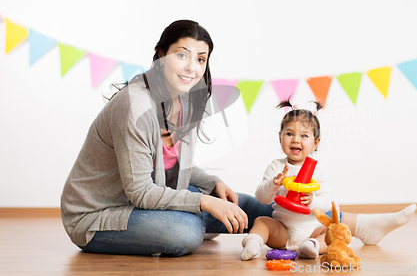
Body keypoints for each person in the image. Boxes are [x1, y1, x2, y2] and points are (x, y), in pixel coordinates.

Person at [60, 20, 273, 256]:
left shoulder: (183, 98)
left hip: (150, 202)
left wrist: (212, 184)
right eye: (182, 55)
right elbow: (140, 191)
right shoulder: (136, 107)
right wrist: (204, 202)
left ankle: (309, 223)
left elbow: (171, 164)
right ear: (161, 54)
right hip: (99, 215)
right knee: (185, 232)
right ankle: (194, 221)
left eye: (201, 59)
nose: (192, 68)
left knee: (250, 206)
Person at [241, 99, 417, 260]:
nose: (295, 140)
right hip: (282, 230)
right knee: (261, 222)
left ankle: (313, 246)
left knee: (334, 230)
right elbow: (262, 198)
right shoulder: (276, 167)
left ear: (315, 142)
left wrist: (313, 201)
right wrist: (273, 184)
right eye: (289, 134)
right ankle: (253, 244)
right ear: (280, 137)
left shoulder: (318, 170)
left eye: (304, 136)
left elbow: (327, 201)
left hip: (311, 229)